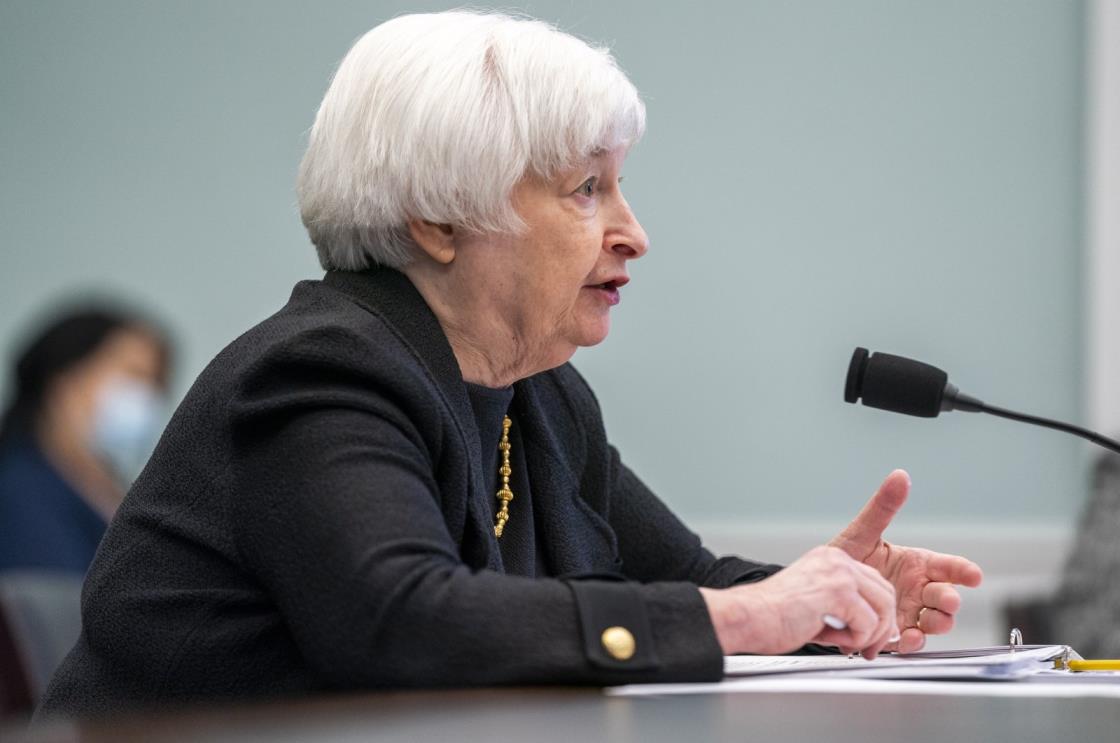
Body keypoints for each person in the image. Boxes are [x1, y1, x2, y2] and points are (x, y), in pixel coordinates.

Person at [39, 10, 982, 719]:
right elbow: (400, 624)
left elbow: (687, 575)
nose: (636, 234)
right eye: (587, 189)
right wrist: (752, 618)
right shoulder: (323, 375)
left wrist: (833, 602)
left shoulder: (541, 397)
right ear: (440, 219)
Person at [0, 306, 171, 574]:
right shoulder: (21, 493)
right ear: (64, 384)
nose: (146, 396)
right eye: (134, 375)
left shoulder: (113, 494)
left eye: (156, 382)